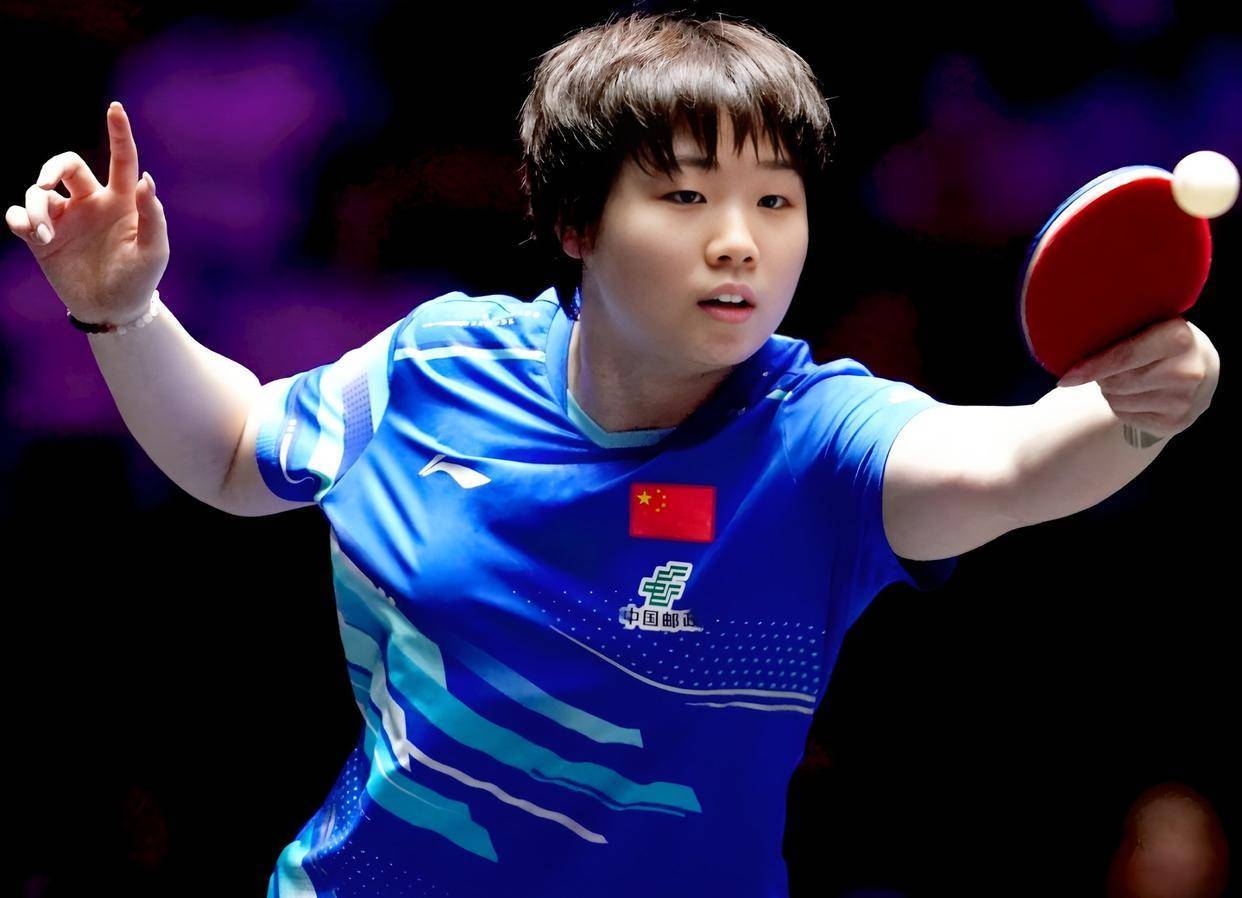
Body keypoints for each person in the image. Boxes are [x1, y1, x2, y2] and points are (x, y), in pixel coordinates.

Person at [7, 9, 1219, 898]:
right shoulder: (440, 364)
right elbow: (233, 452)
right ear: (575, 219)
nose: (739, 242)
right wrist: (127, 313)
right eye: (686, 199)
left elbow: (1011, 463)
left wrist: (1135, 407)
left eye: (776, 200)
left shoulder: (815, 440)